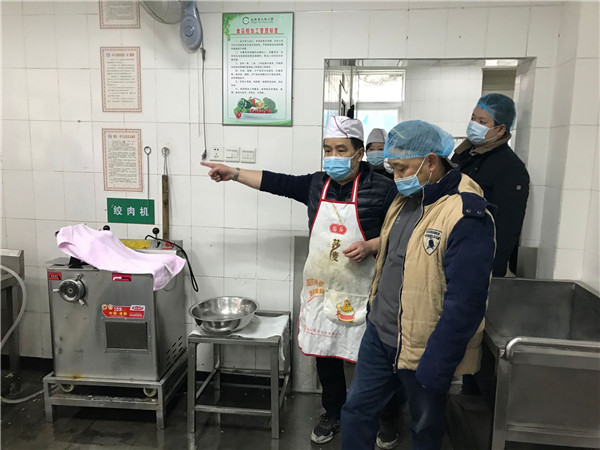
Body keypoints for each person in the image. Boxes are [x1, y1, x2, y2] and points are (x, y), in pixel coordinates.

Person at [202, 116, 397, 444]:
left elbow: (401, 232)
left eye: (341, 150)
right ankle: (333, 412)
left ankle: (386, 416)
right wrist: (233, 173)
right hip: (323, 286)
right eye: (327, 149)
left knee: (376, 357)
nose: (332, 156)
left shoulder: (383, 189)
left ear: (359, 152)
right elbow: (275, 181)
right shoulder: (316, 184)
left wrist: (371, 245)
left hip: (365, 288)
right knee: (326, 351)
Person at [340, 120, 496, 450]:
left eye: (402, 169)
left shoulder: (465, 215)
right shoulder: (406, 197)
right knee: (356, 411)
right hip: (380, 334)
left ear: (431, 161)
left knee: (424, 428)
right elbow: (396, 256)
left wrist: (438, 363)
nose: (397, 177)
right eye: (393, 169)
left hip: (425, 347)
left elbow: (466, 303)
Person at [452, 93, 529, 277]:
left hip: (478, 258)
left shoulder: (510, 167)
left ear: (500, 129)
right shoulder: (464, 154)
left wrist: (492, 271)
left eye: (482, 122)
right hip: (454, 247)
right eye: (473, 118)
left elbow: (507, 227)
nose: (474, 125)